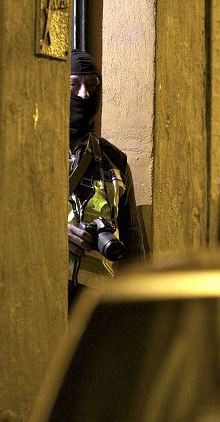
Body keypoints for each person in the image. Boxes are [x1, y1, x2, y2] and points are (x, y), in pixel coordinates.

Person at [67, 49, 149, 305]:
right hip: (40, 301)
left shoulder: (114, 161)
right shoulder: (33, 153)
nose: (84, 94)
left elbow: (133, 246)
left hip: (95, 306)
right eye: (73, 85)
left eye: (92, 85)